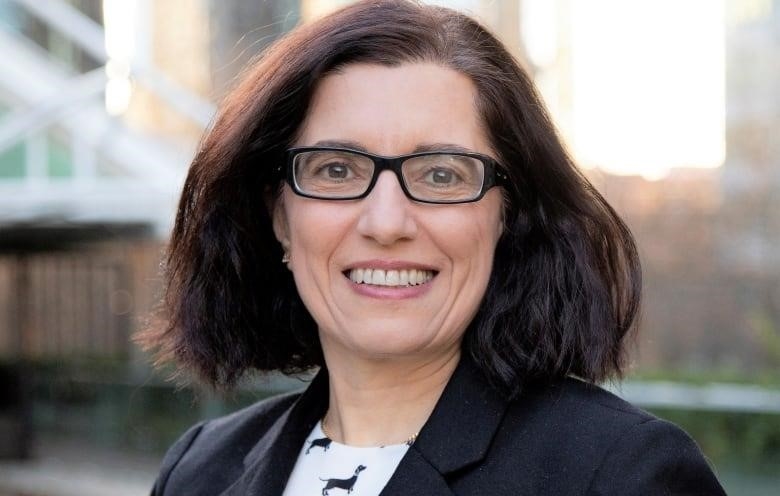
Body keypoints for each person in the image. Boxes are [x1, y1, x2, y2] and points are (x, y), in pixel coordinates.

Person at [140, 1, 727, 494]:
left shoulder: (620, 474)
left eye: (442, 174)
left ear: (507, 216)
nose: (387, 221)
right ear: (280, 217)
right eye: (337, 170)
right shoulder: (199, 470)